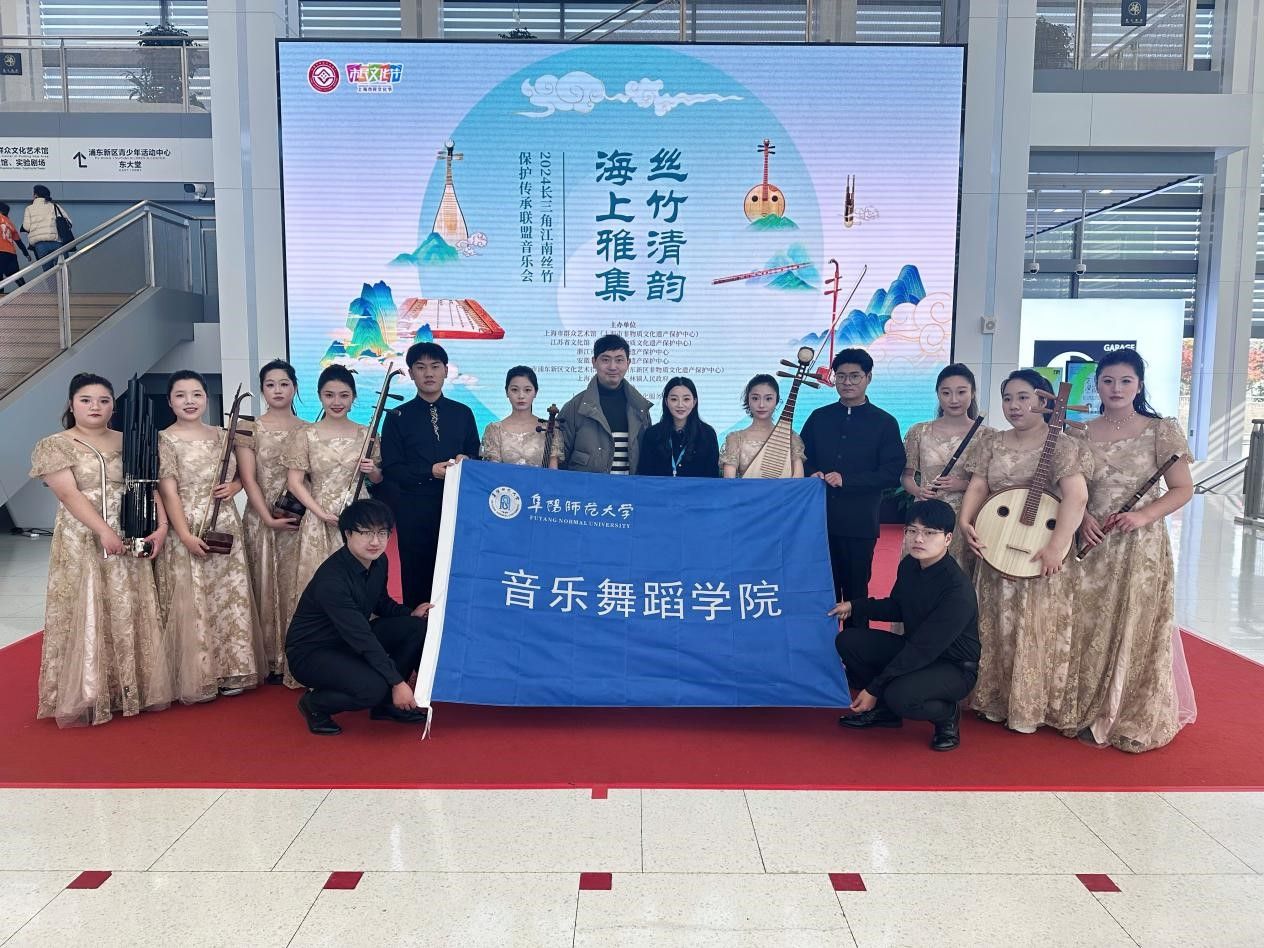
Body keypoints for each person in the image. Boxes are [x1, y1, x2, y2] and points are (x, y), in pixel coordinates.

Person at [1070, 349, 1197, 752]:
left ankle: (1122, 713)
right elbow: (1070, 487)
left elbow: (1183, 488)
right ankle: (1084, 707)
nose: (1116, 388)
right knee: (1088, 622)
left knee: (1132, 622)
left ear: (1139, 385)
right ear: (1097, 385)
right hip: (1092, 540)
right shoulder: (1081, 432)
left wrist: (1144, 516)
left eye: (1125, 381)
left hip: (1139, 544)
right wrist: (1082, 517)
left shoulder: (1161, 430)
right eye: (1108, 381)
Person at [29, 373, 172, 726]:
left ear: (113, 406)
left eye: (104, 400)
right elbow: (68, 494)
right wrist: (104, 531)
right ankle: (89, 690)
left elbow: (148, 485)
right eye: (86, 400)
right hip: (83, 535)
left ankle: (128, 687)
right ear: (71, 404)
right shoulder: (55, 445)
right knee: (88, 603)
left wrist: (162, 526)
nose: (96, 406)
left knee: (127, 603)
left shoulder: (130, 440)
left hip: (130, 530)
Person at [957, 369, 1089, 735]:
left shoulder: (1062, 444)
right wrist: (966, 521)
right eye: (1007, 398)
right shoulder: (992, 442)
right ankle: (993, 699)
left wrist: (1056, 548)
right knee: (995, 623)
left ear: (1045, 401)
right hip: (997, 544)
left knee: (1034, 624)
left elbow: (1077, 497)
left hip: (1039, 549)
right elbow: (978, 485)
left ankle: (1031, 705)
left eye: (1023, 397)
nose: (1014, 406)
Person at [831, 499, 981, 752]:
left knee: (898, 695)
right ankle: (886, 713)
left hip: (953, 666)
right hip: (917, 649)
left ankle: (946, 715)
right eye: (912, 531)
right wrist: (855, 606)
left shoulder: (956, 590)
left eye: (929, 533)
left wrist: (874, 689)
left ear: (947, 538)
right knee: (849, 640)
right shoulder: (910, 565)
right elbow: (898, 607)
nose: (918, 539)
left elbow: (923, 649)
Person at [156, 370, 265, 703]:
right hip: (186, 524)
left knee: (228, 597)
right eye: (180, 395)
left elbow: (246, 475)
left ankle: (233, 668)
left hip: (225, 524)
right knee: (193, 599)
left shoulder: (223, 435)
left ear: (206, 398)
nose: (189, 401)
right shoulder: (163, 439)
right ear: (170, 401)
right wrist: (184, 535)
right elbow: (168, 492)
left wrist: (234, 487)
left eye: (196, 394)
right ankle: (199, 675)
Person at [287, 499, 432, 735]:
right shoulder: (332, 581)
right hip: (313, 652)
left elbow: (381, 602)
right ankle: (314, 704)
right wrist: (397, 682)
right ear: (348, 534)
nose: (375, 541)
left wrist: (410, 613)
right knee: (373, 689)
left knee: (415, 627)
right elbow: (361, 636)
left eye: (382, 533)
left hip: (349, 641)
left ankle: (386, 706)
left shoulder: (378, 560)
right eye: (366, 533)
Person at [801, 348, 904, 610]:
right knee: (821, 589)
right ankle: (821, 637)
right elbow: (801, 457)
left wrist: (848, 480)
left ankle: (856, 637)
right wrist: (811, 471)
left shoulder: (884, 423)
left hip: (859, 523)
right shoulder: (819, 418)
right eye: (841, 376)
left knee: (856, 592)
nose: (847, 382)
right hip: (819, 520)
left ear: (868, 377)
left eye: (855, 376)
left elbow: (891, 473)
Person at [379, 342, 481, 608]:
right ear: (411, 373)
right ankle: (417, 631)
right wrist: (429, 472)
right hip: (414, 509)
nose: (429, 373)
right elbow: (392, 468)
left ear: (446, 371)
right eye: (420, 367)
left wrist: (468, 461)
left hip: (457, 508)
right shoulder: (398, 416)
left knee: (457, 573)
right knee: (416, 576)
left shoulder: (463, 413)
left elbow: (475, 456)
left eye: (435, 366)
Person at [283, 365, 383, 627]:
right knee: (319, 582)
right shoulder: (305, 435)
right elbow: (294, 482)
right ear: (320, 396)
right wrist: (320, 513)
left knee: (360, 582)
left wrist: (372, 470)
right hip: (319, 516)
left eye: (344, 395)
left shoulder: (367, 434)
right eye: (329, 395)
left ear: (353, 397)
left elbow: (378, 479)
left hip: (359, 517)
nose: (336, 402)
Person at [237, 359, 308, 683]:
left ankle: (297, 655)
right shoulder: (248, 427)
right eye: (270, 384)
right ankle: (268, 658)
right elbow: (248, 478)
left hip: (298, 519)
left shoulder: (308, 428)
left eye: (284, 384)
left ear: (295, 387)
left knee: (296, 585)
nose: (277, 390)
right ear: (262, 389)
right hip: (260, 517)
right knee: (263, 585)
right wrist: (266, 517)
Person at [900, 364, 991, 569]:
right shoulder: (919, 431)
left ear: (972, 393)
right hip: (926, 517)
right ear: (938, 394)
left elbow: (992, 483)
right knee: (920, 573)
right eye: (946, 393)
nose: (954, 399)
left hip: (966, 516)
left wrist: (963, 484)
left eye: (961, 392)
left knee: (960, 574)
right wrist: (918, 491)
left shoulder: (987, 435)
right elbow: (906, 477)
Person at [558, 334, 653, 474]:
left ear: (628, 363)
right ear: (594, 362)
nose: (612, 367)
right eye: (605, 360)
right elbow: (559, 461)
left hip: (629, 487)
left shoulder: (640, 407)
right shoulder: (574, 408)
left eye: (619, 360)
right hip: (587, 488)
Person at [720, 374, 805, 478]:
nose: (761, 405)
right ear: (748, 400)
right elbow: (729, 481)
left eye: (768, 399)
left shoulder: (791, 438)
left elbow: (798, 480)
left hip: (784, 489)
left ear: (777, 401)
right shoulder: (735, 439)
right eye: (755, 398)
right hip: (746, 489)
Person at [480, 365, 562, 467]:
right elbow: (493, 471)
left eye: (527, 390)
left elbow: (553, 472)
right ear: (506, 392)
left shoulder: (550, 428)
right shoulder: (494, 430)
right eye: (515, 390)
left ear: (535, 392)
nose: (521, 396)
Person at [637, 376, 720, 478]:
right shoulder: (652, 434)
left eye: (686, 399)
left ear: (694, 402)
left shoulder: (707, 434)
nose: (680, 405)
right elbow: (644, 476)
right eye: (674, 399)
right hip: (660, 489)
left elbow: (712, 477)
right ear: (666, 402)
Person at [21, 185, 71, 270]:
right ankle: (63, 279)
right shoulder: (54, 206)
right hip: (57, 242)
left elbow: (26, 227)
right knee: (62, 269)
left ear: (36, 195)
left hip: (40, 245)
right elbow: (68, 222)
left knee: (48, 271)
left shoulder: (29, 208)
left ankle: (52, 279)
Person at [0, 201, 30, 291]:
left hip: (1, 250)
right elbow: (18, 241)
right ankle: (26, 292)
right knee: (16, 275)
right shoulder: (10, 223)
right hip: (11, 253)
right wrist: (26, 254)